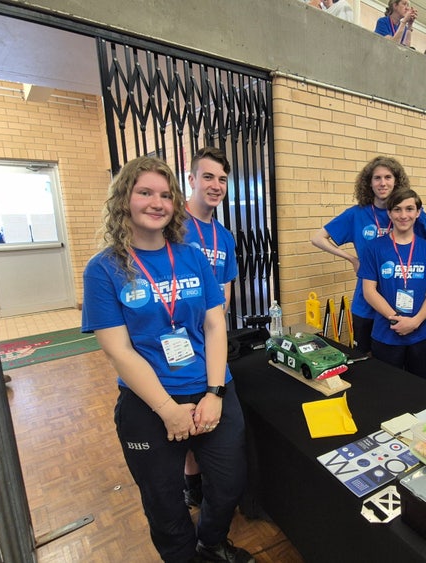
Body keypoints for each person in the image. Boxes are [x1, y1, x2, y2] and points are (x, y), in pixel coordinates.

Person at [81, 156, 253, 563]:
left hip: (210, 388)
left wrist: (215, 392)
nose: (156, 203)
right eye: (145, 192)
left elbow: (215, 324)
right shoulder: (104, 269)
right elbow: (118, 350)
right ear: (124, 199)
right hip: (149, 401)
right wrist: (167, 410)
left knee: (229, 483)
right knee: (163, 502)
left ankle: (211, 543)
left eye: (165, 195)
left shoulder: (191, 256)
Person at [310, 156, 426, 354]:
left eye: (388, 177)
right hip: (366, 302)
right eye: (377, 178)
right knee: (367, 361)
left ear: (397, 181)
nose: (383, 183)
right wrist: (352, 259)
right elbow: (318, 238)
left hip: (403, 303)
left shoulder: (406, 213)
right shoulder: (356, 214)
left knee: (399, 364)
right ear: (369, 183)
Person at [182, 147, 239, 509]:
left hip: (211, 340)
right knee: (187, 422)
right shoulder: (173, 225)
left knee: (212, 417)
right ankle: (192, 484)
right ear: (191, 179)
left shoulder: (225, 237)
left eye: (221, 179)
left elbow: (226, 289)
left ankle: (211, 488)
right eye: (208, 177)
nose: (216, 185)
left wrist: (215, 319)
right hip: (180, 344)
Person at [359, 188, 426, 379]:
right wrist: (396, 319)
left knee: (422, 388)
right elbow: (369, 291)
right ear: (389, 213)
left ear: (418, 212)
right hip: (386, 333)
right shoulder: (374, 248)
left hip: (422, 332)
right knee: (388, 387)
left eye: (409, 209)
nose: (403, 215)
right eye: (397, 209)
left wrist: (415, 322)